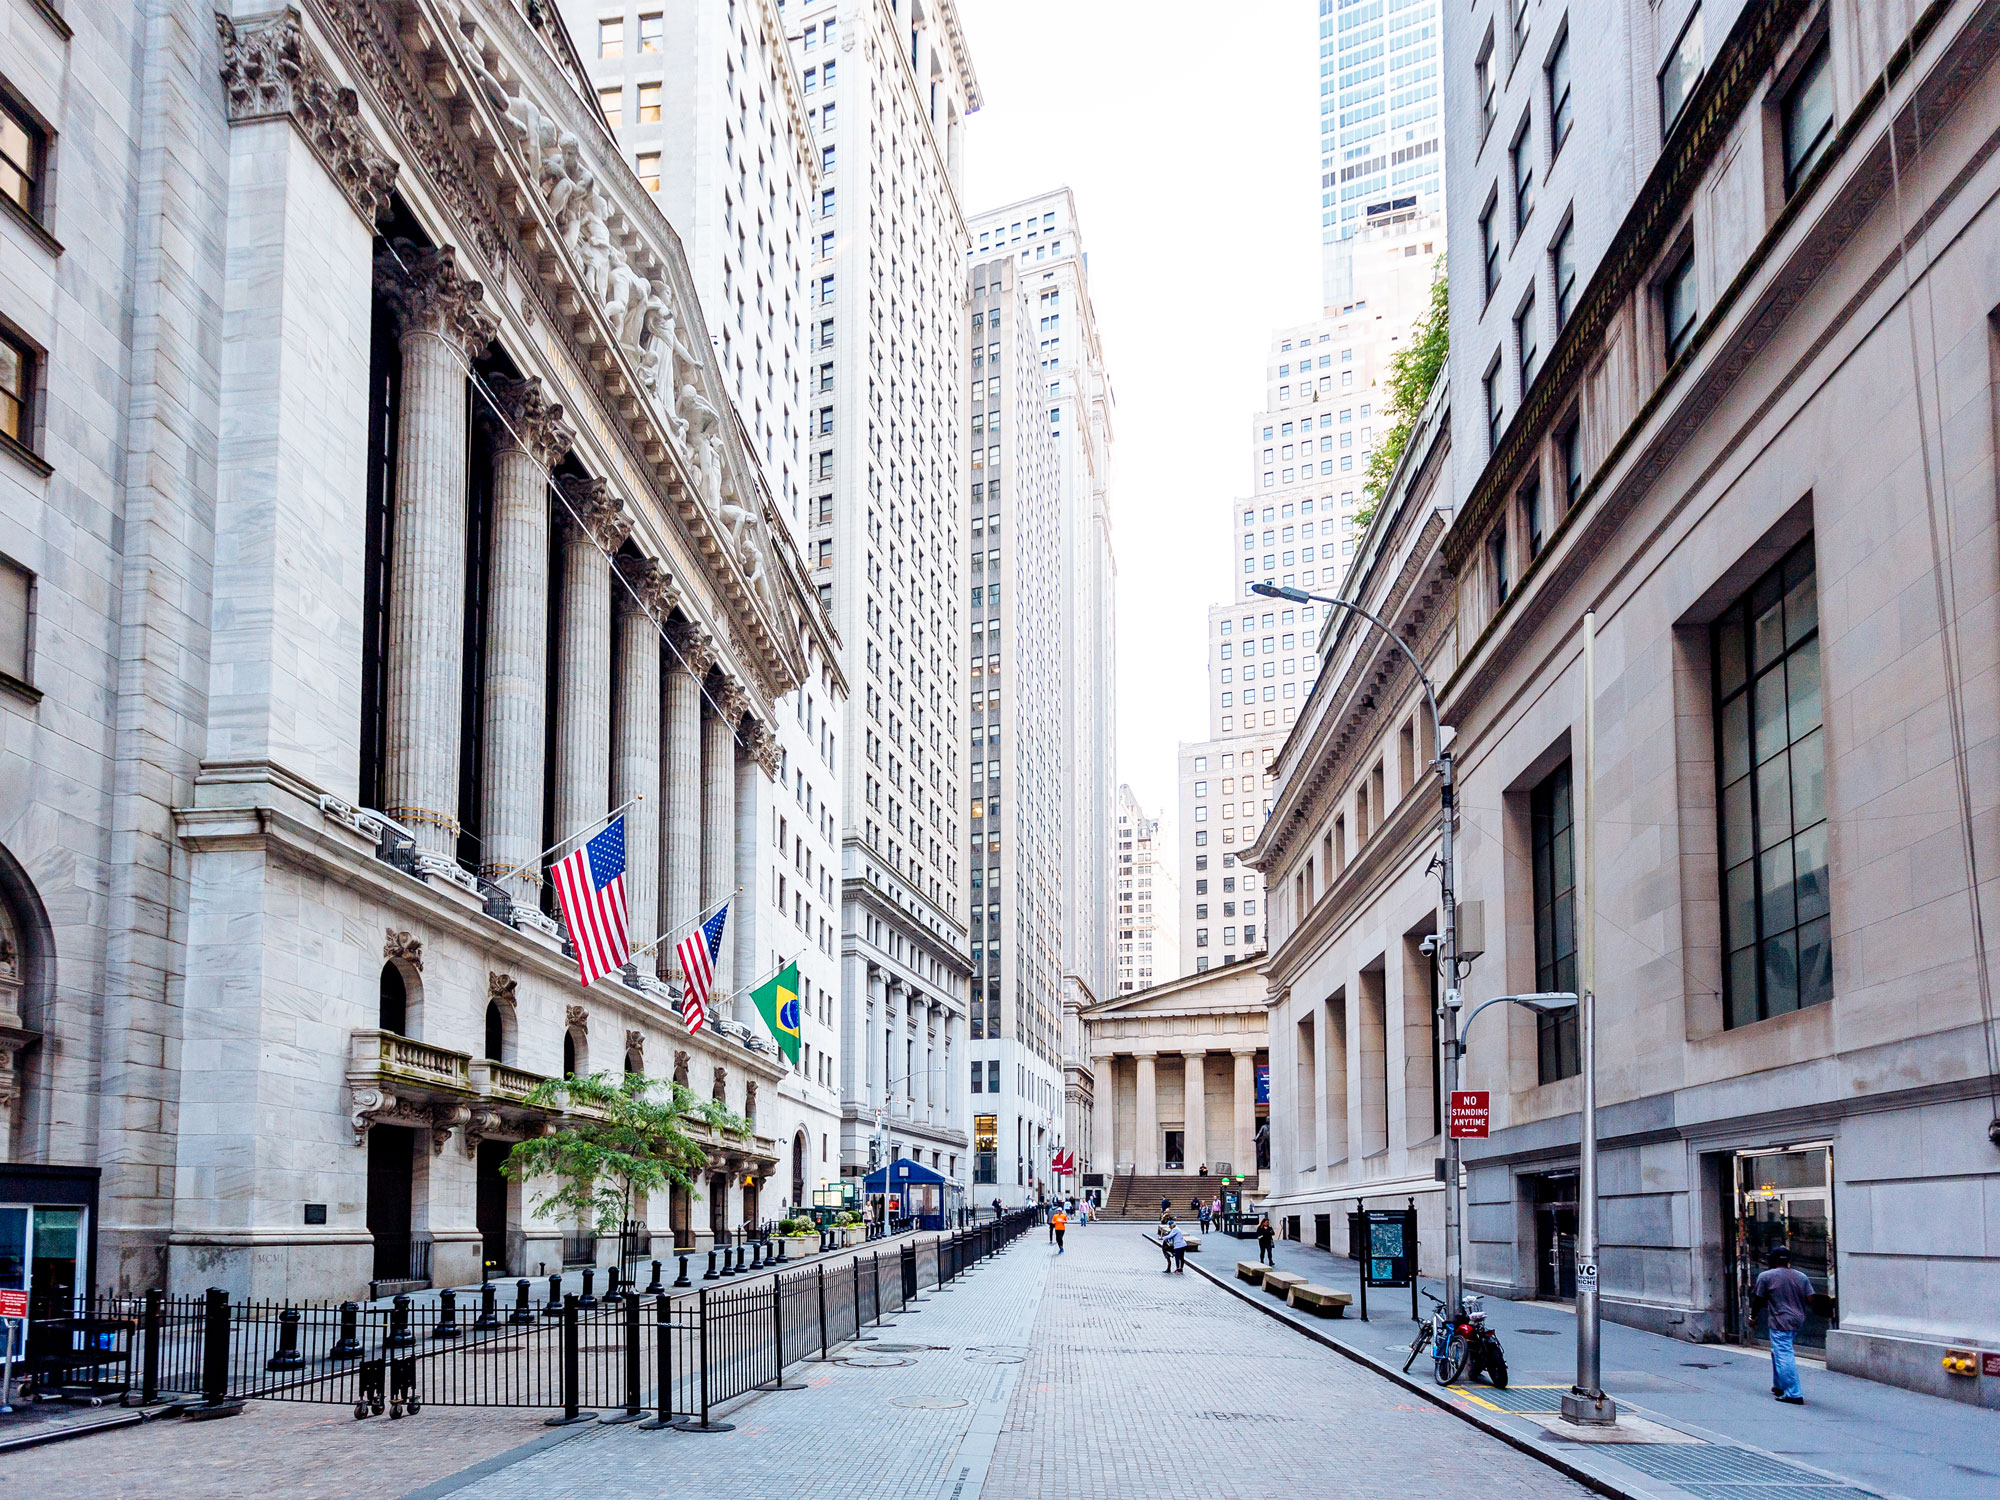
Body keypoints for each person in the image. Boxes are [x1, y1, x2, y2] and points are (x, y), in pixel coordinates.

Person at [1752, 1248, 1814, 1405]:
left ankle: (1793, 1393)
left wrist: (1753, 1317)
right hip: (1798, 1319)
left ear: (1772, 1260)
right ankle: (1779, 1385)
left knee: (1784, 1354)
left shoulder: (1766, 1276)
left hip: (1780, 1320)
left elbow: (1758, 1299)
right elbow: (1811, 1298)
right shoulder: (1801, 1276)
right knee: (1777, 1351)